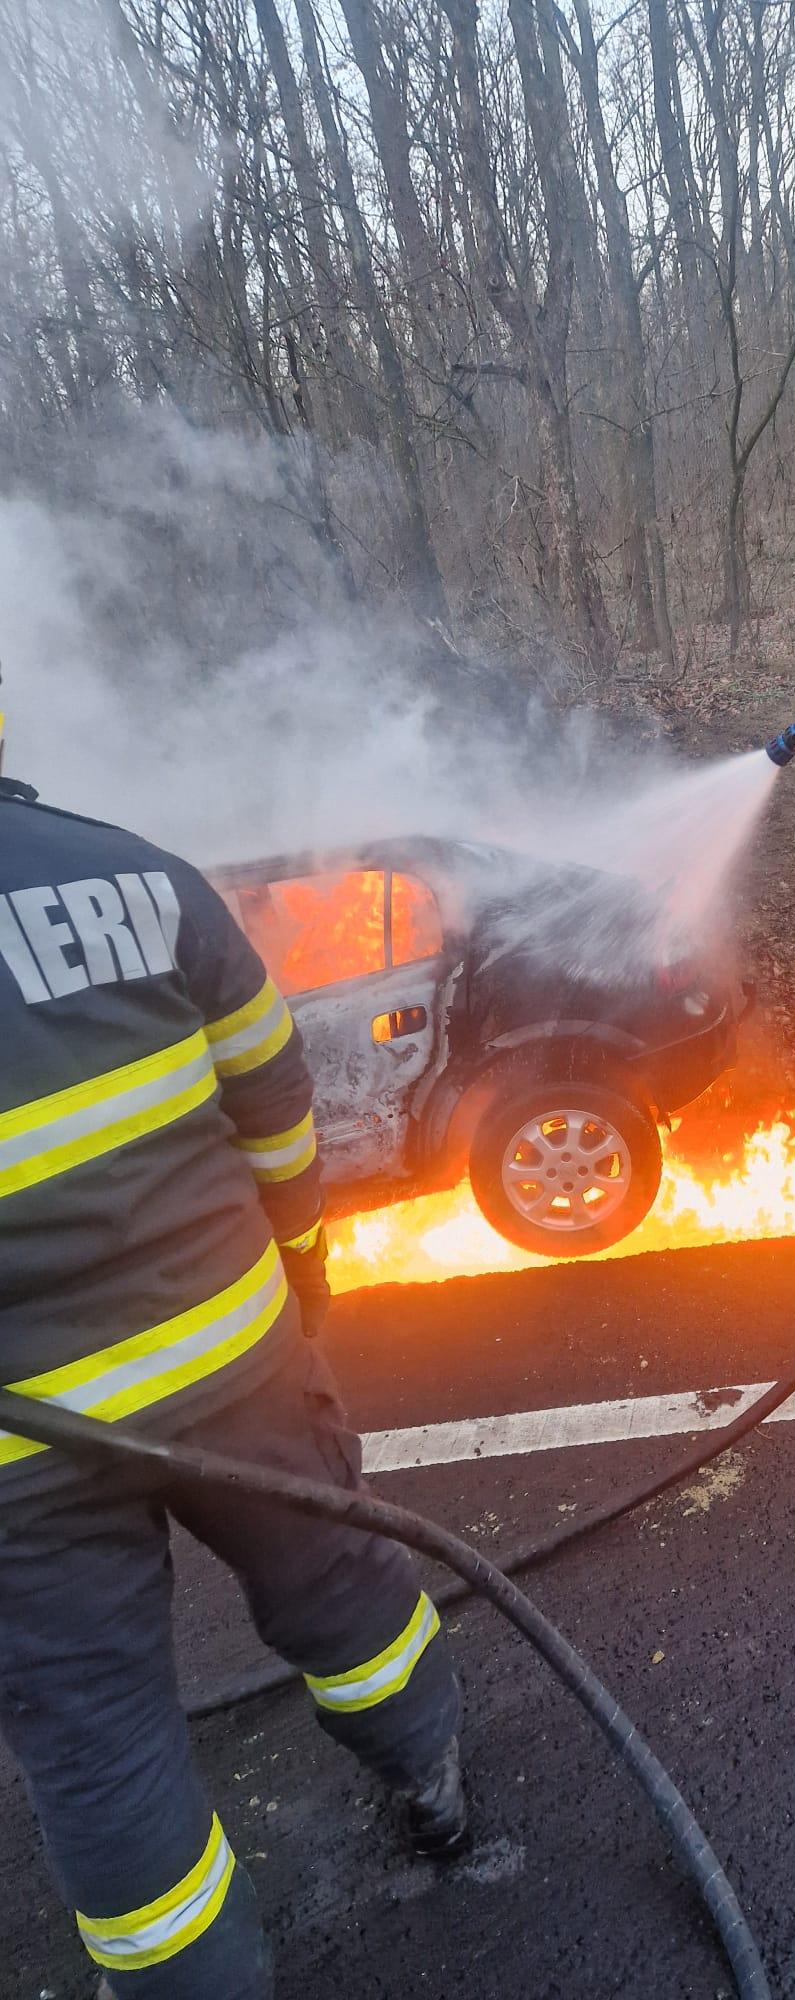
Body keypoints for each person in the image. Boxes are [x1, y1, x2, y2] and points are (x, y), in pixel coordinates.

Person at [0, 722, 468, 2000]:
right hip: (235, 1359)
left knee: (99, 1745)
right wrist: (300, 1273)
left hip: (23, 1461)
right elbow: (276, 1099)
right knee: (342, 1582)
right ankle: (433, 1785)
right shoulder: (141, 877)